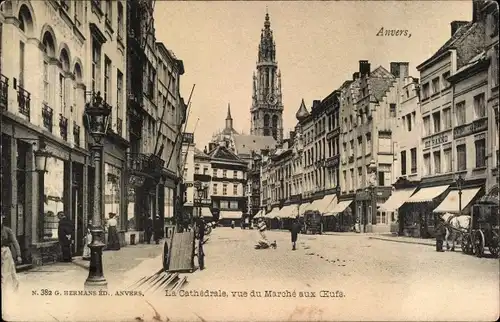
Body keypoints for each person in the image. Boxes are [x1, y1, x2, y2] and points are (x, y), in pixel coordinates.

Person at [1, 214, 22, 293]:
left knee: (6, 272)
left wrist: (18, 255)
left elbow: (15, 242)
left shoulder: (7, 230)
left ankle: (7, 290)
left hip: (5, 251)